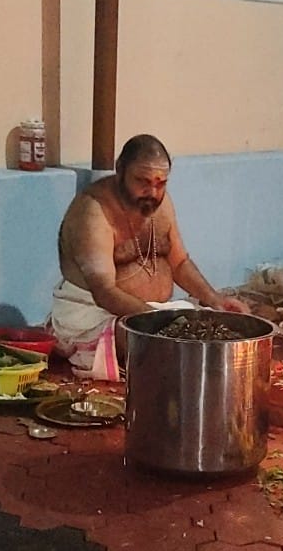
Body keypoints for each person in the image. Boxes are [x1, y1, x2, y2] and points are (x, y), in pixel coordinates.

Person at [49, 134, 245, 378]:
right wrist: (160, 321)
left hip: (154, 312)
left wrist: (214, 299)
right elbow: (104, 293)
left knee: (228, 325)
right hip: (96, 318)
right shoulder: (93, 211)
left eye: (160, 183)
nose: (152, 192)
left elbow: (180, 263)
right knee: (149, 344)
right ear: (120, 170)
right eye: (142, 181)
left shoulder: (161, 204)